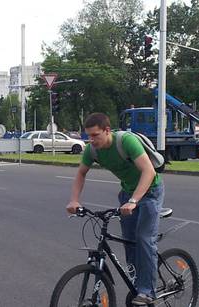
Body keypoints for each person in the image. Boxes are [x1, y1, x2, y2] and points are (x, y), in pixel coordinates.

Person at [66, 113, 163, 306]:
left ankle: (147, 291)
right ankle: (137, 285)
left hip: (149, 191)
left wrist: (135, 200)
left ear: (107, 131)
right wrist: (74, 200)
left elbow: (149, 171)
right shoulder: (91, 150)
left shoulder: (126, 142)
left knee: (144, 239)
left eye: (95, 135)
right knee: (130, 242)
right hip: (127, 193)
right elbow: (81, 173)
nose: (91, 140)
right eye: (88, 136)